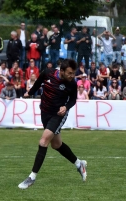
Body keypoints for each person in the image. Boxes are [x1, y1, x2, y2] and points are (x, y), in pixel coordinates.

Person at [18, 59, 87, 189]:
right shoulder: (47, 73)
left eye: (74, 73)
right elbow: (38, 83)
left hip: (58, 114)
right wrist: (30, 92)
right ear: (61, 71)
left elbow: (73, 100)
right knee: (56, 144)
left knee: (43, 141)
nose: (72, 76)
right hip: (45, 112)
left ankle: (32, 177)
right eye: (70, 73)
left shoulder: (71, 84)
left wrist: (66, 107)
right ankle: (79, 164)